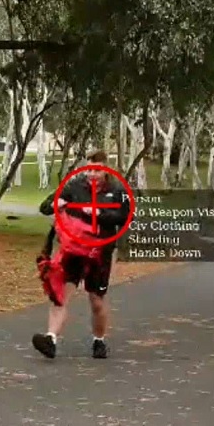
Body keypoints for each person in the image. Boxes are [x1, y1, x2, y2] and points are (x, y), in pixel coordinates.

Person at [32, 150, 132, 359]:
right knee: (60, 296)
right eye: (89, 169)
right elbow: (45, 207)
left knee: (96, 301)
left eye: (97, 170)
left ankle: (99, 341)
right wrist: (55, 204)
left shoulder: (117, 190)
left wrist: (100, 214)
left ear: (106, 169)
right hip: (73, 250)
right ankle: (50, 339)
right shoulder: (74, 186)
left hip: (100, 252)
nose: (92, 174)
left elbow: (125, 217)